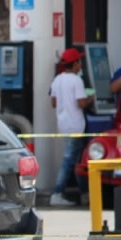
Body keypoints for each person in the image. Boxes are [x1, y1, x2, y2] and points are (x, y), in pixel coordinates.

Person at [49, 48, 93, 207]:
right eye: (79, 61)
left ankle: (85, 194)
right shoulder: (76, 80)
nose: (80, 64)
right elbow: (81, 103)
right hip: (76, 126)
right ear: (75, 64)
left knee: (77, 160)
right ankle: (57, 192)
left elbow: (53, 102)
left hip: (64, 124)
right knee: (69, 160)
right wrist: (91, 98)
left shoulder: (57, 80)